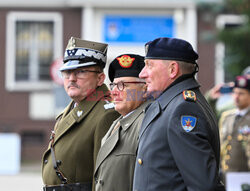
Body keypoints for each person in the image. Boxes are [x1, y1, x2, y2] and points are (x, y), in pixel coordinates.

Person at [133, 37, 225, 191]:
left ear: (173, 70)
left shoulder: (183, 110)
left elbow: (203, 186)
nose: (142, 74)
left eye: (149, 65)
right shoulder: (169, 104)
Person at [42, 37, 120, 191]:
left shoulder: (106, 114)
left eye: (81, 72)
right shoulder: (72, 108)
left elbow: (104, 178)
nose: (71, 78)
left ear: (100, 78)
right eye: (67, 72)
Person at [94, 54, 151, 191]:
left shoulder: (147, 123)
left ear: (145, 88)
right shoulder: (118, 122)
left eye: (122, 85)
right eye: (113, 85)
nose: (114, 92)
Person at [220, 75, 250, 178]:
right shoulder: (227, 117)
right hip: (225, 177)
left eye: (241, 94)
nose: (236, 97)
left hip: (244, 178)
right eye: (235, 93)